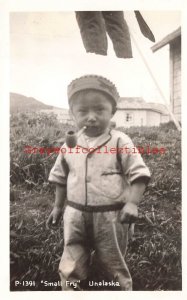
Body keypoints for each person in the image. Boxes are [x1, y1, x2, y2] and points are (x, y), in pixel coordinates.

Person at [47, 75, 151, 291]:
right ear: (72, 114)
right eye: (83, 111)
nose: (91, 117)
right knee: (72, 258)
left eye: (99, 110)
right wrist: (58, 207)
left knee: (113, 264)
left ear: (112, 112)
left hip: (111, 217)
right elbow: (60, 177)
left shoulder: (120, 141)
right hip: (74, 215)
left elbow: (139, 174)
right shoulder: (69, 145)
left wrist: (132, 203)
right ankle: (71, 289)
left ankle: (118, 290)